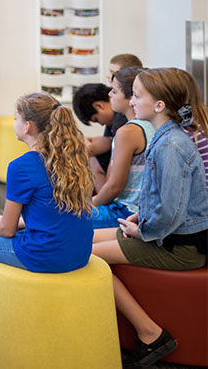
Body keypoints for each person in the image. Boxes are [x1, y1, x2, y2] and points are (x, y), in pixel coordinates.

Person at [0, 92, 94, 369]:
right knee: (2, 230)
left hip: (45, 254)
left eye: (17, 118)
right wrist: (9, 222)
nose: (15, 122)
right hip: (80, 251)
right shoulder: (73, 156)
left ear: (27, 126)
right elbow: (55, 212)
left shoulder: (21, 166)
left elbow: (5, 230)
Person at [92, 68, 208, 368]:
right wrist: (139, 217)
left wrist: (142, 231)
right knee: (84, 238)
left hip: (179, 247)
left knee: (85, 256)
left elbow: (170, 213)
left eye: (138, 96)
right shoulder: (166, 137)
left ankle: (150, 333)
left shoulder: (170, 146)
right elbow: (161, 199)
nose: (132, 101)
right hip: (167, 236)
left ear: (158, 106)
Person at [90, 67, 155, 229]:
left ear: (131, 97)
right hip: (140, 209)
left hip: (126, 211)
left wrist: (90, 204)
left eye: (114, 91)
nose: (109, 95)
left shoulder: (128, 132)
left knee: (56, 221)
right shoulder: (152, 124)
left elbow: (114, 187)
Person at [73, 82, 122, 188]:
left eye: (96, 119)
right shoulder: (113, 121)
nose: (101, 124)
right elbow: (107, 140)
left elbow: (107, 144)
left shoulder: (120, 120)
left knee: (92, 160)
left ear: (99, 105)